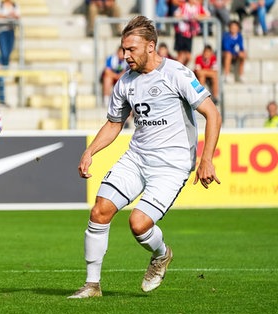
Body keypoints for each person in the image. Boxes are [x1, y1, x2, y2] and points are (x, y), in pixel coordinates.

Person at [68, 15, 222, 299]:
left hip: (171, 166)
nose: (125, 55)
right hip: (136, 158)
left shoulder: (177, 74)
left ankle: (161, 255)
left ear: (151, 47)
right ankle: (92, 285)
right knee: (100, 210)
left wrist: (206, 159)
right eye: (124, 49)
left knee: (138, 224)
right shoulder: (125, 83)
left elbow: (212, 113)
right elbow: (115, 123)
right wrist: (90, 151)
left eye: (131, 50)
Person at [173, 0, 211, 66]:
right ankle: (177, 70)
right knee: (181, 56)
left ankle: (181, 69)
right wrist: (185, 17)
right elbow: (176, 14)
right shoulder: (184, 6)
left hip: (189, 34)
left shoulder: (198, 7)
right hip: (181, 33)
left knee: (188, 57)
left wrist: (198, 17)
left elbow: (208, 15)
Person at [0, 0, 20, 67]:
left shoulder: (15, 4)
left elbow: (18, 16)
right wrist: (8, 16)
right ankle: (3, 70)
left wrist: (7, 16)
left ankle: (2, 69)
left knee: (8, 53)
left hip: (11, 30)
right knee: (4, 53)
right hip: (1, 30)